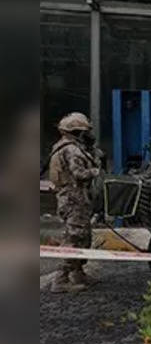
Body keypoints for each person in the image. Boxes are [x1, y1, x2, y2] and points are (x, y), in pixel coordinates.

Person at [47, 112, 101, 293]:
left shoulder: (63, 146)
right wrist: (95, 171)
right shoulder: (72, 149)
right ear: (76, 132)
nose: (88, 134)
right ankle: (60, 279)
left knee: (83, 237)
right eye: (84, 131)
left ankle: (78, 273)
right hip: (74, 198)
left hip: (73, 198)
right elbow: (79, 174)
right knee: (75, 237)